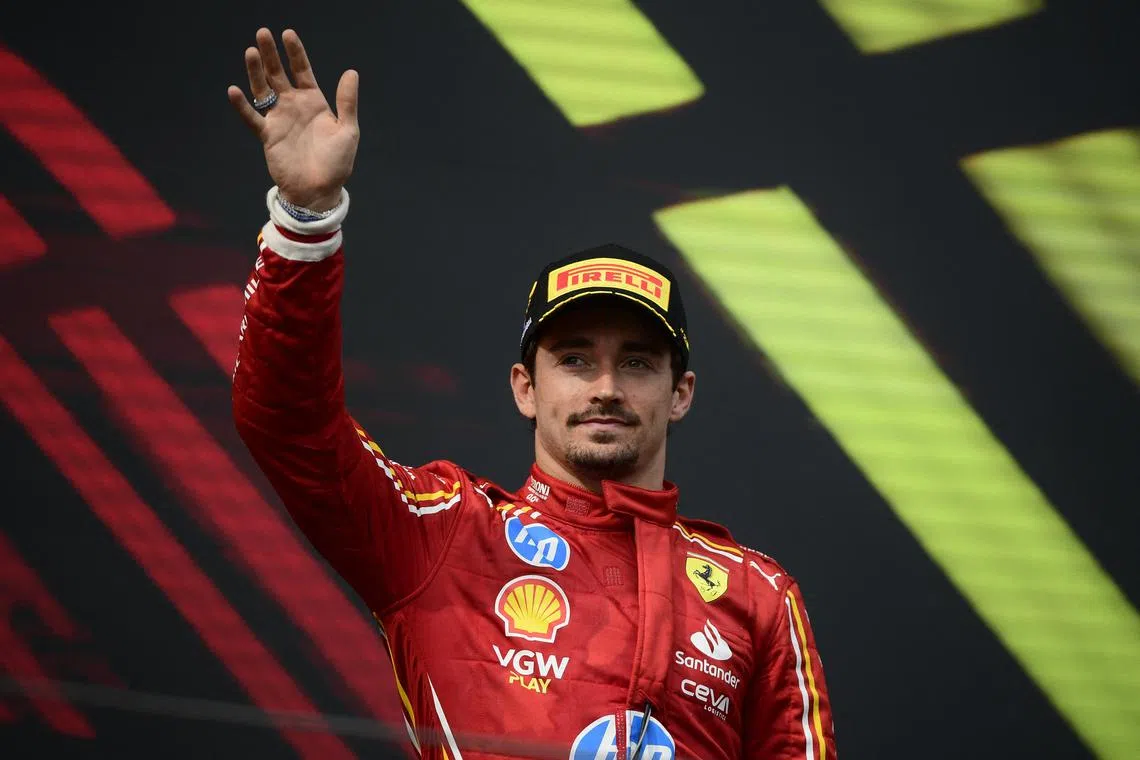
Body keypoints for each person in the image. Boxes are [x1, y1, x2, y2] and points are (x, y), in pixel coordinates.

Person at [229, 27, 837, 760]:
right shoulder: (446, 535)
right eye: (575, 360)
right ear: (525, 387)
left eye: (637, 363)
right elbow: (289, 424)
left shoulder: (757, 594)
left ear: (681, 394)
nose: (606, 387)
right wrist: (304, 219)